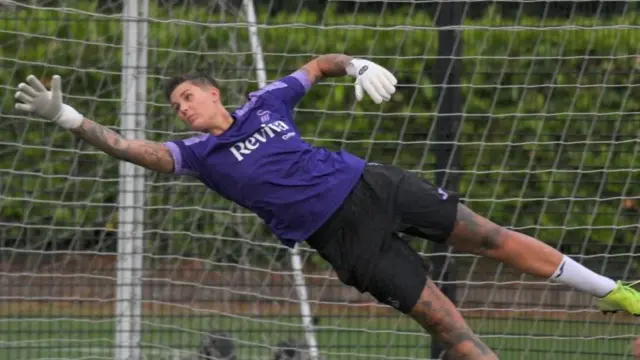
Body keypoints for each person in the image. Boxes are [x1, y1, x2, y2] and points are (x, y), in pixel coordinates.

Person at [13, 54, 639, 359]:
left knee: (493, 237)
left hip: (373, 184)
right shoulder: (195, 155)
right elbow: (127, 147)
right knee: (447, 326)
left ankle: (618, 293)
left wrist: (357, 64)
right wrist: (68, 117)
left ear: (212, 92)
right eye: (174, 105)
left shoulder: (267, 102)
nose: (181, 108)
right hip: (343, 240)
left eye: (187, 97)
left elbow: (318, 64)